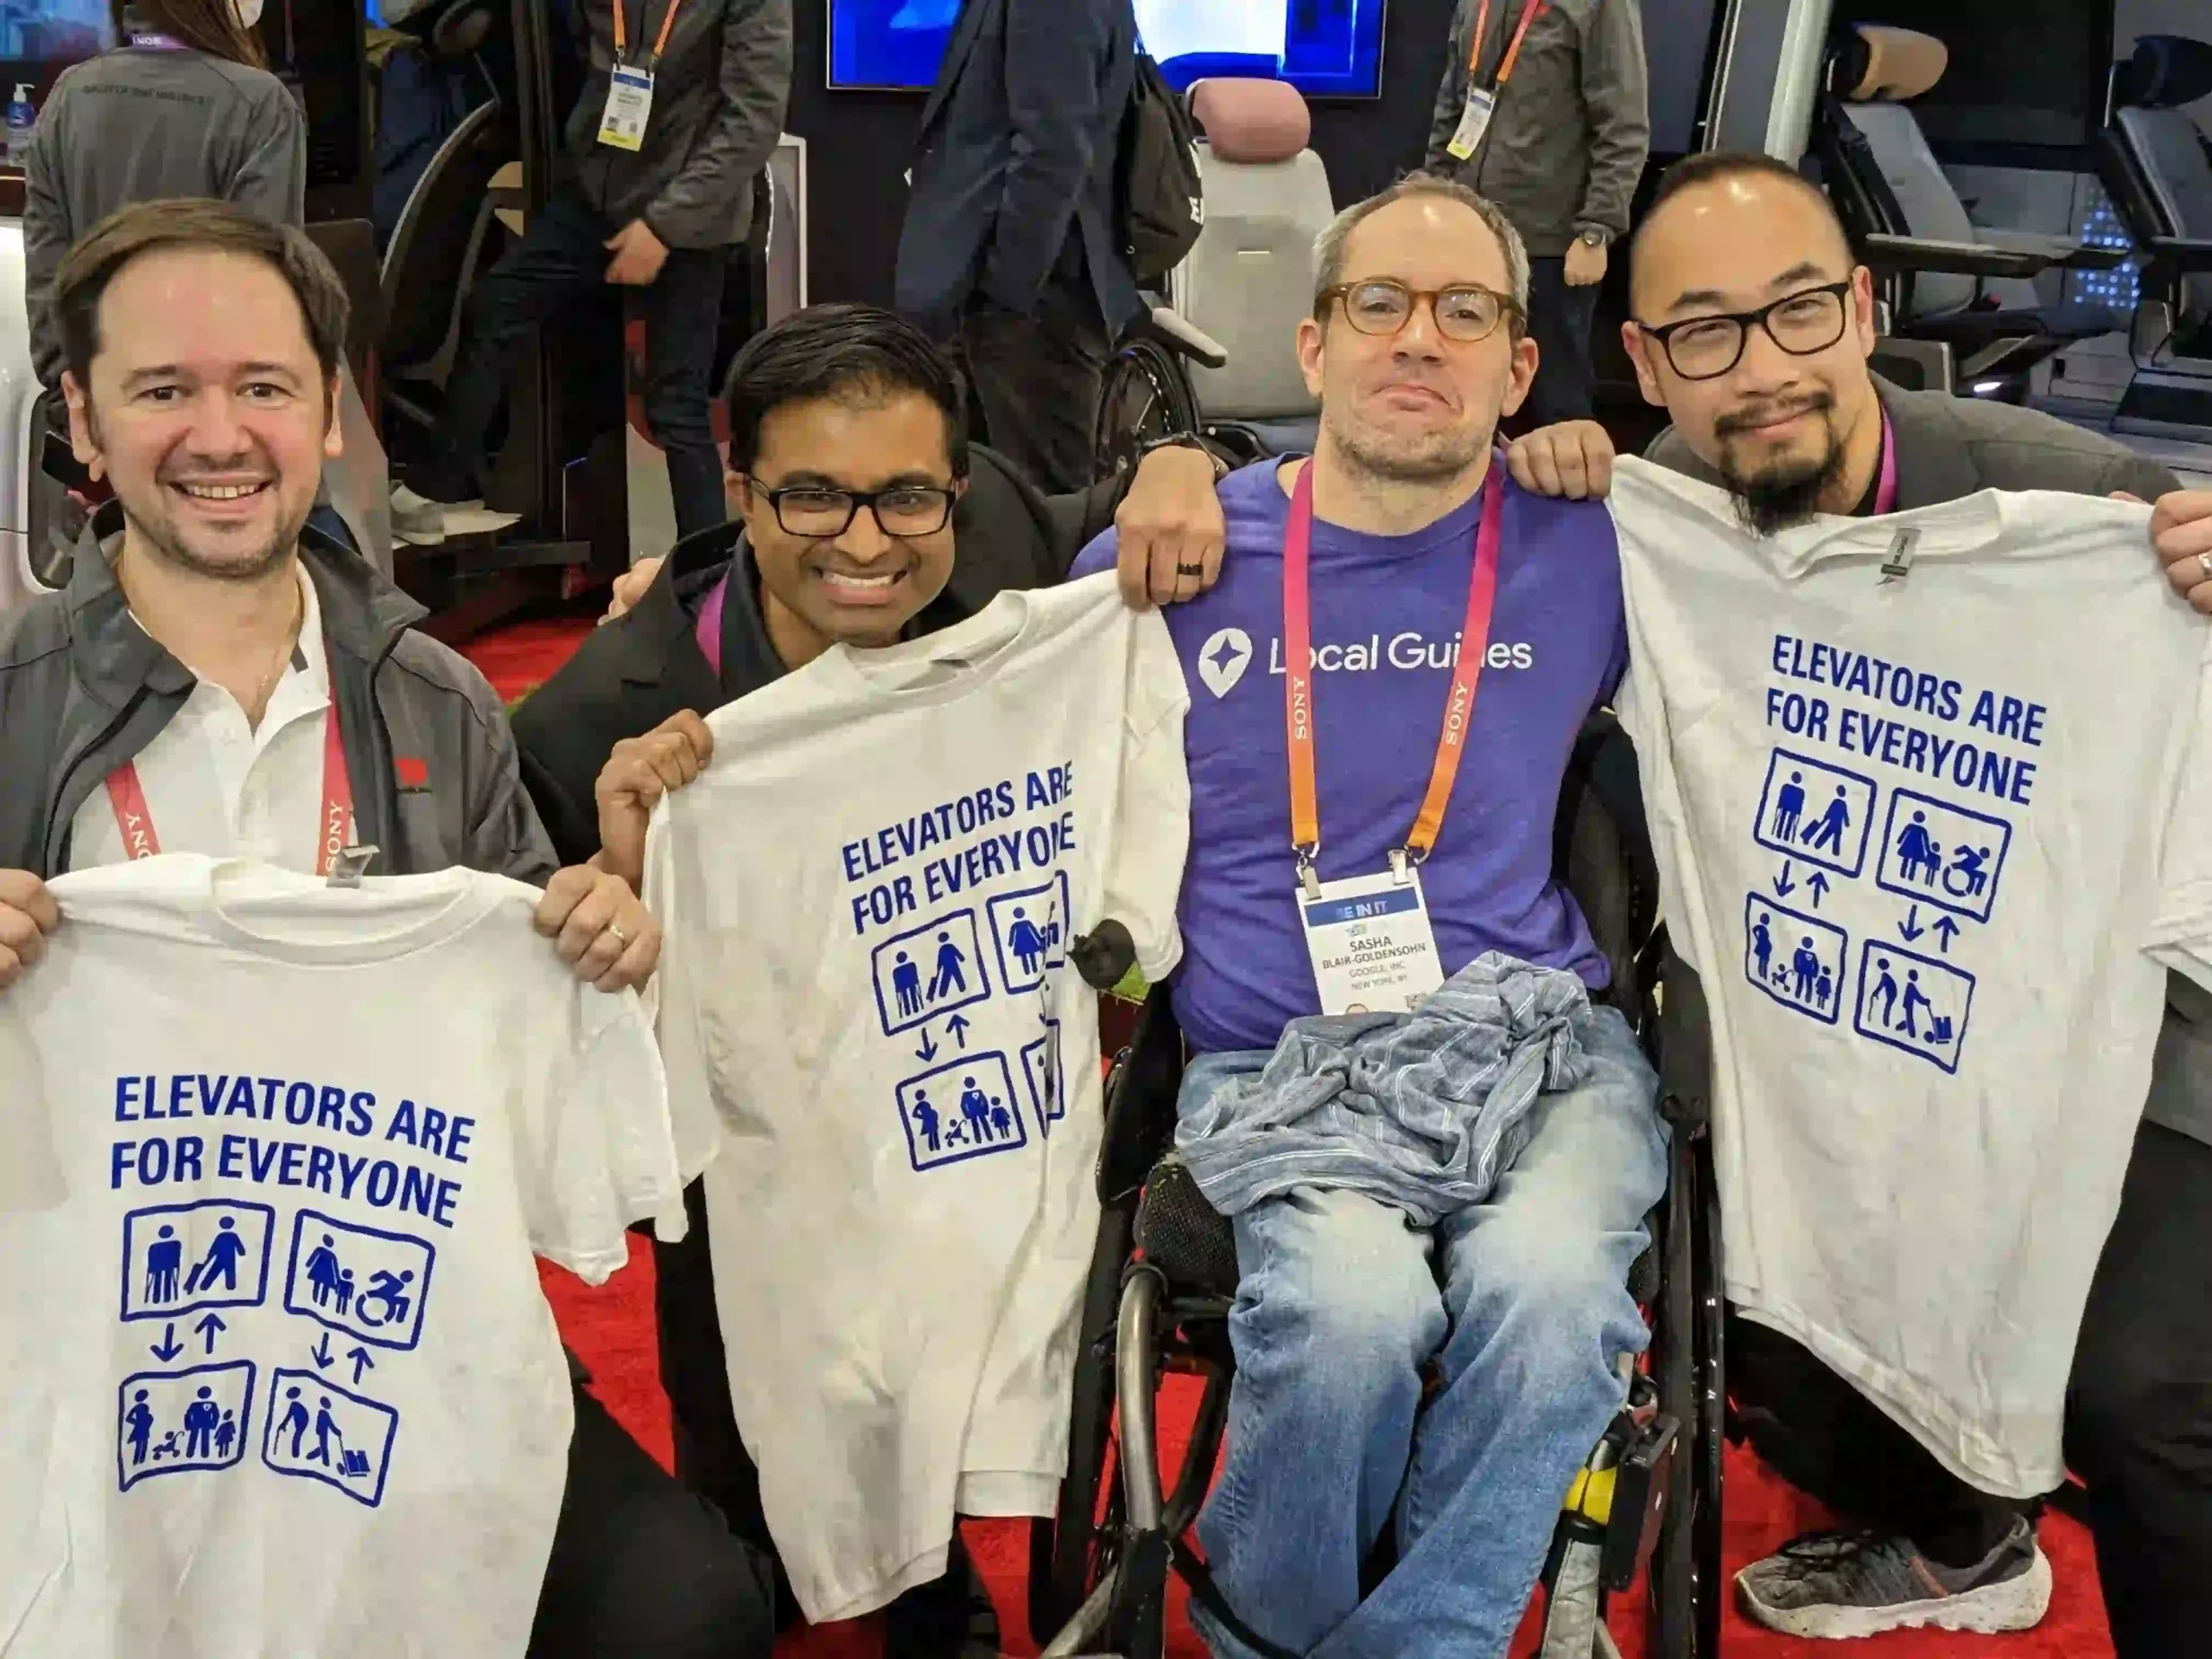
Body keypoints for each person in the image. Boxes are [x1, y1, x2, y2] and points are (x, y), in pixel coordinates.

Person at [0, 197, 771, 1658]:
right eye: (163, 390)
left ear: (328, 418)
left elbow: (544, 1056)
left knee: (683, 1611)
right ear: (83, 425)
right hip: (87, 1356)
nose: (219, 433)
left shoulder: (434, 702)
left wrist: (601, 939)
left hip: (385, 1331)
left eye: (265, 388)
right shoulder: (13, 703)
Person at [1505, 149, 2212, 1654]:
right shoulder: (1645, 525)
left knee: (2139, 1391)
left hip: (2113, 1034)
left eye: (1798, 312)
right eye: (1703, 333)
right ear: (1642, 361)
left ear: (1865, 306)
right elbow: (1382, 526)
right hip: (1848, 1033)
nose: (1760, 371)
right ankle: (1959, 1533)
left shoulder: (2078, 513)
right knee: (1778, 1295)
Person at [514, 300, 1227, 1654]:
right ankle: (755, 1544)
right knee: (738, 1324)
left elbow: (1187, 500)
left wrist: (1184, 459)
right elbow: (566, 1079)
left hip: (959, 1071)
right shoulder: (597, 714)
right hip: (756, 1133)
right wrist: (623, 873)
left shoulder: (1012, 556)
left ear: (959, 487)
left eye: (907, 498)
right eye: (812, 499)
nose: (865, 543)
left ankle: (929, 1566)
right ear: (738, 490)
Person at [1067, 173, 1667, 1658]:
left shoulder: (1603, 542)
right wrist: (1170, 460)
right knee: (1347, 1321)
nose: (1420, 340)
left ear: (1520, 369)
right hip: (1280, 1058)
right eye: (1380, 305)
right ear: (1315, 340)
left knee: (1549, 1296)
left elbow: (1842, 517)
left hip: (1538, 1043)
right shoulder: (1159, 566)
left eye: (1465, 312)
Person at [391, 0, 793, 546]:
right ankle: (438, 485)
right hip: (599, 191)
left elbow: (754, 120)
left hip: (691, 209)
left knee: (675, 404)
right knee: (500, 303)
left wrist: (664, 226)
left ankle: (710, 576)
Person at [22, 0, 308, 575]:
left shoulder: (71, 94)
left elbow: (47, 273)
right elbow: (264, 284)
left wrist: (76, 415)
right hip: (219, 436)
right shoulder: (258, 103)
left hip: (110, 417)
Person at [894, 0, 1144, 495]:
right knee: (991, 507)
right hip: (1016, 302)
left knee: (1040, 513)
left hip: (1034, 303)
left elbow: (1053, 151)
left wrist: (1005, 290)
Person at [1425, 0, 1648, 427]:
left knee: (1554, 395)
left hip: (1552, 242)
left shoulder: (1602, 7)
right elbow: (1453, 105)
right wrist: (1431, 191)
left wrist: (1597, 228)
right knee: (1471, 382)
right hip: (1475, 237)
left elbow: (1623, 127)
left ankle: (1563, 490)